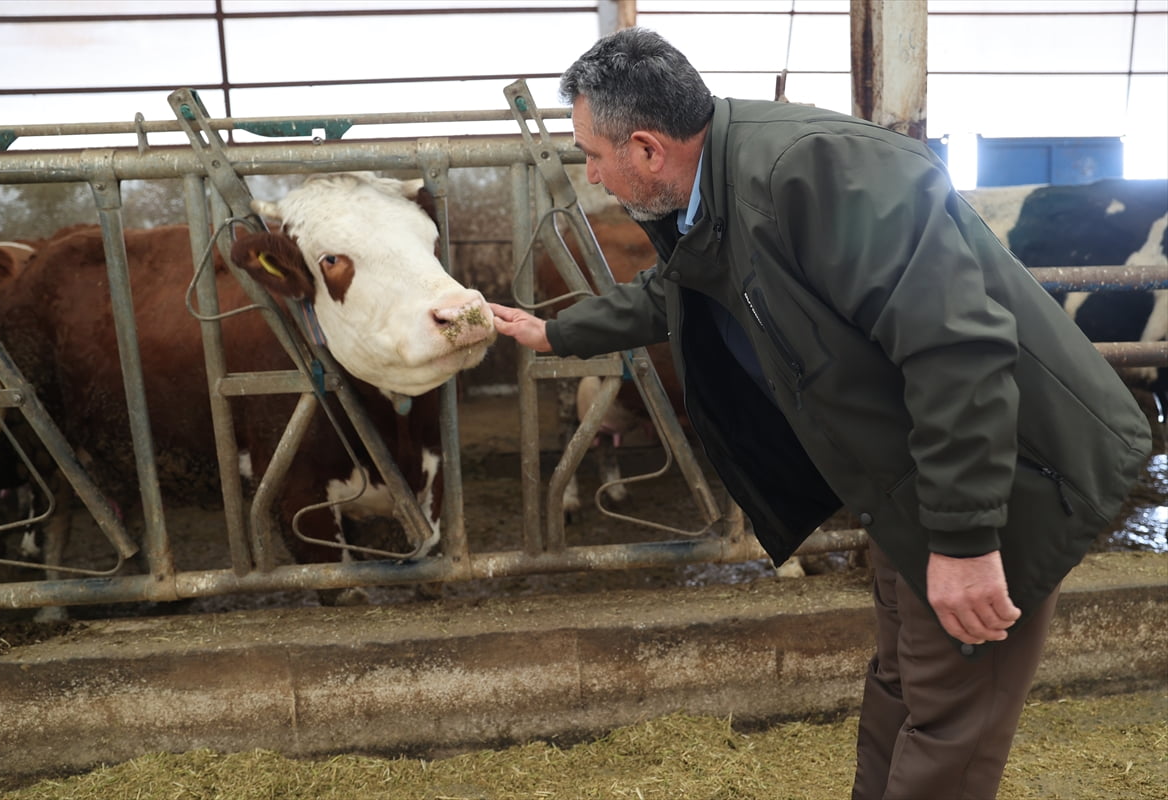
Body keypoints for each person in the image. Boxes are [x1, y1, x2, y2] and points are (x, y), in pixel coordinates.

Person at [489, 27, 1152, 800]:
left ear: (646, 148)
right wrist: (555, 333)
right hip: (908, 478)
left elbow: (957, 350)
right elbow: (672, 287)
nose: (593, 175)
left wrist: (966, 539)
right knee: (903, 680)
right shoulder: (717, 189)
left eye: (593, 155)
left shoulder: (819, 174)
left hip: (1009, 471)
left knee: (952, 723)